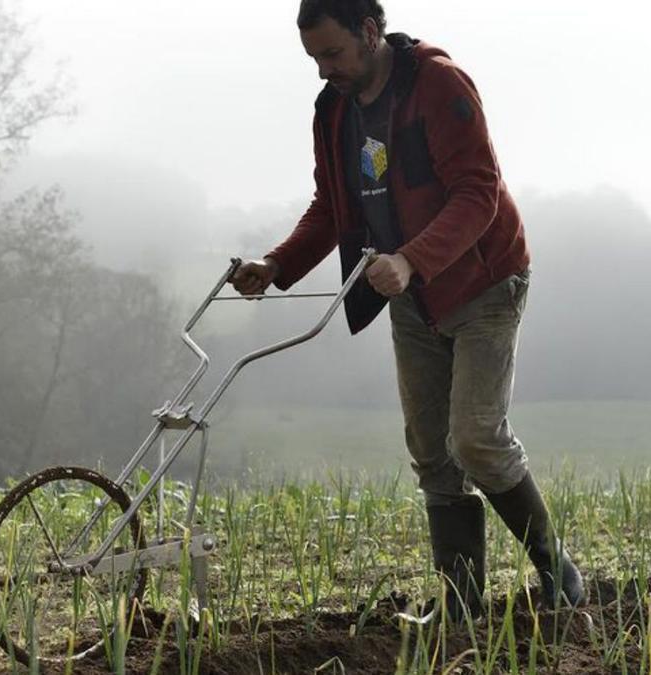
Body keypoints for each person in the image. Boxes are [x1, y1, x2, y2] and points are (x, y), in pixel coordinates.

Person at [231, 0, 585, 619]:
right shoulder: (333, 109)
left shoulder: (438, 84)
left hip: (481, 283)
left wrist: (413, 259)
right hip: (411, 293)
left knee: (476, 439)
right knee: (431, 452)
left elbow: (479, 191)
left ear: (370, 33)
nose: (322, 71)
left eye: (331, 55)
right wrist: (278, 264)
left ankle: (559, 573)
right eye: (312, 58)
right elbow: (332, 206)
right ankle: (461, 610)